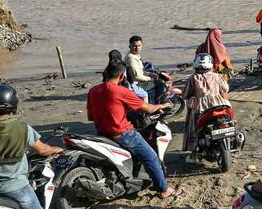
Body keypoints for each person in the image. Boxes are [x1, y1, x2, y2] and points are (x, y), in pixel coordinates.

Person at [86, 60, 177, 199]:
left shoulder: (93, 91)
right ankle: (164, 189)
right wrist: (162, 106)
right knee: (151, 157)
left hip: (102, 133)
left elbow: (90, 117)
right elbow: (148, 108)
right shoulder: (121, 91)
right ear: (122, 76)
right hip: (122, 134)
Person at [182, 53, 231, 157]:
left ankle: (193, 153)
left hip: (201, 108)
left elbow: (185, 95)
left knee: (192, 126)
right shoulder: (217, 76)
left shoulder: (193, 78)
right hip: (219, 104)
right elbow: (226, 89)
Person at [124, 35, 171, 104]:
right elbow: (138, 77)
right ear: (130, 46)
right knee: (160, 83)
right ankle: (157, 104)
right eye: (134, 46)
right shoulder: (131, 59)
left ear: (142, 46)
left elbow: (141, 71)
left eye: (139, 46)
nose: (137, 48)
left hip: (137, 80)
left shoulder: (135, 55)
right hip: (136, 84)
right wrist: (150, 79)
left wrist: (149, 74)